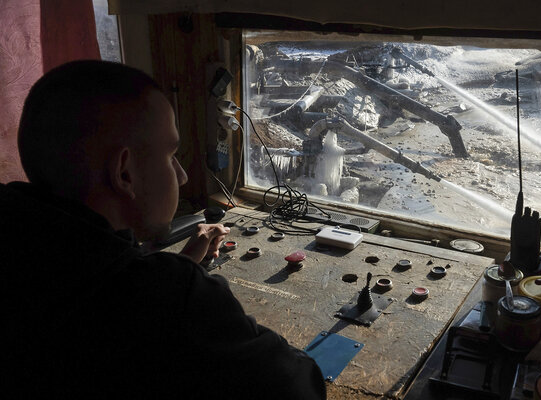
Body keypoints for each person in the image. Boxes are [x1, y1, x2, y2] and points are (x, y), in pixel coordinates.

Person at [1, 60, 326, 399]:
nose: (183, 175)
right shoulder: (171, 298)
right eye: (171, 155)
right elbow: (299, 387)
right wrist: (185, 287)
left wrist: (181, 264)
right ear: (124, 174)